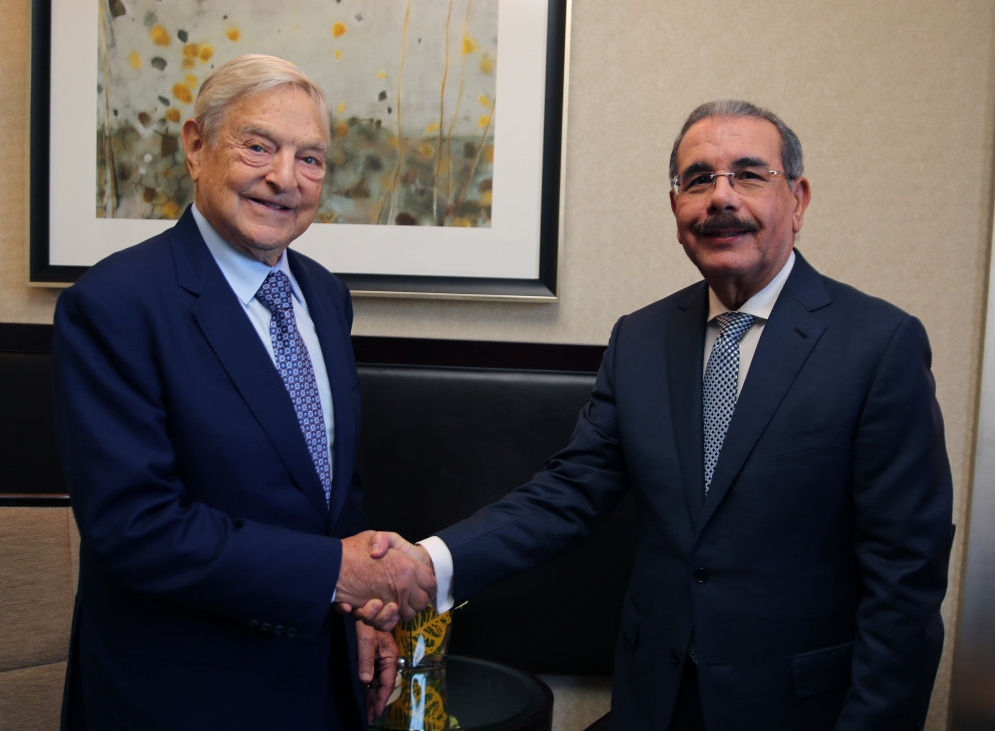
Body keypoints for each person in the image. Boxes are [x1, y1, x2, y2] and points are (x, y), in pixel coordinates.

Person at [374, 100, 954, 730]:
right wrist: (429, 562)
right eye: (698, 179)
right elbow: (568, 493)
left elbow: (905, 579)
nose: (721, 197)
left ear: (799, 199)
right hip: (654, 699)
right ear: (676, 207)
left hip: (798, 709)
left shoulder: (879, 345)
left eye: (749, 175)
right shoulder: (641, 339)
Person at [52, 54, 434, 730]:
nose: (285, 178)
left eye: (310, 158)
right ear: (196, 146)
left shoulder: (325, 295)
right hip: (182, 700)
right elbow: (135, 525)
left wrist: (363, 613)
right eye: (258, 146)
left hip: (322, 684)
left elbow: (330, 492)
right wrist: (336, 574)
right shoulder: (114, 303)